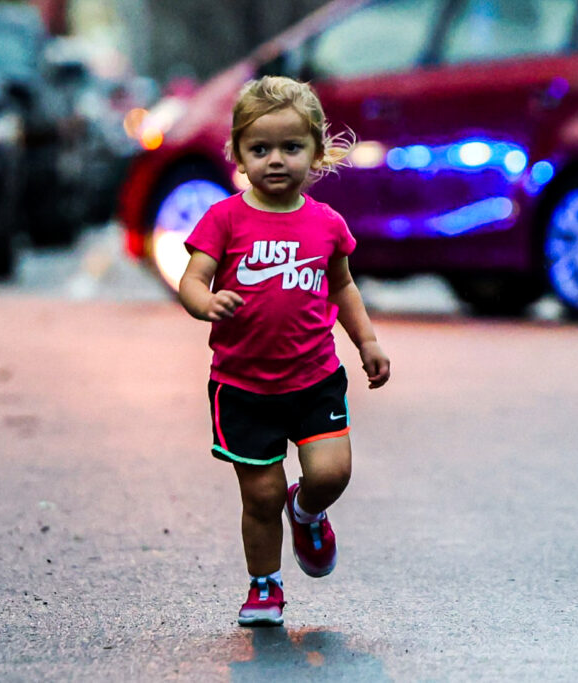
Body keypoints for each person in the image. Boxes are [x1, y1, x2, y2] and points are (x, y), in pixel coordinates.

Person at [178, 76, 391, 627]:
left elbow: (342, 287)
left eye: (291, 148)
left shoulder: (326, 225)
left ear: (316, 153)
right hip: (242, 388)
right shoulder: (224, 219)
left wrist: (365, 341)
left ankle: (309, 510)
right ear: (238, 154)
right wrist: (206, 303)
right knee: (261, 493)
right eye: (260, 149)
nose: (275, 160)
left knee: (331, 473)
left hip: (314, 377)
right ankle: (265, 585)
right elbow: (192, 278)